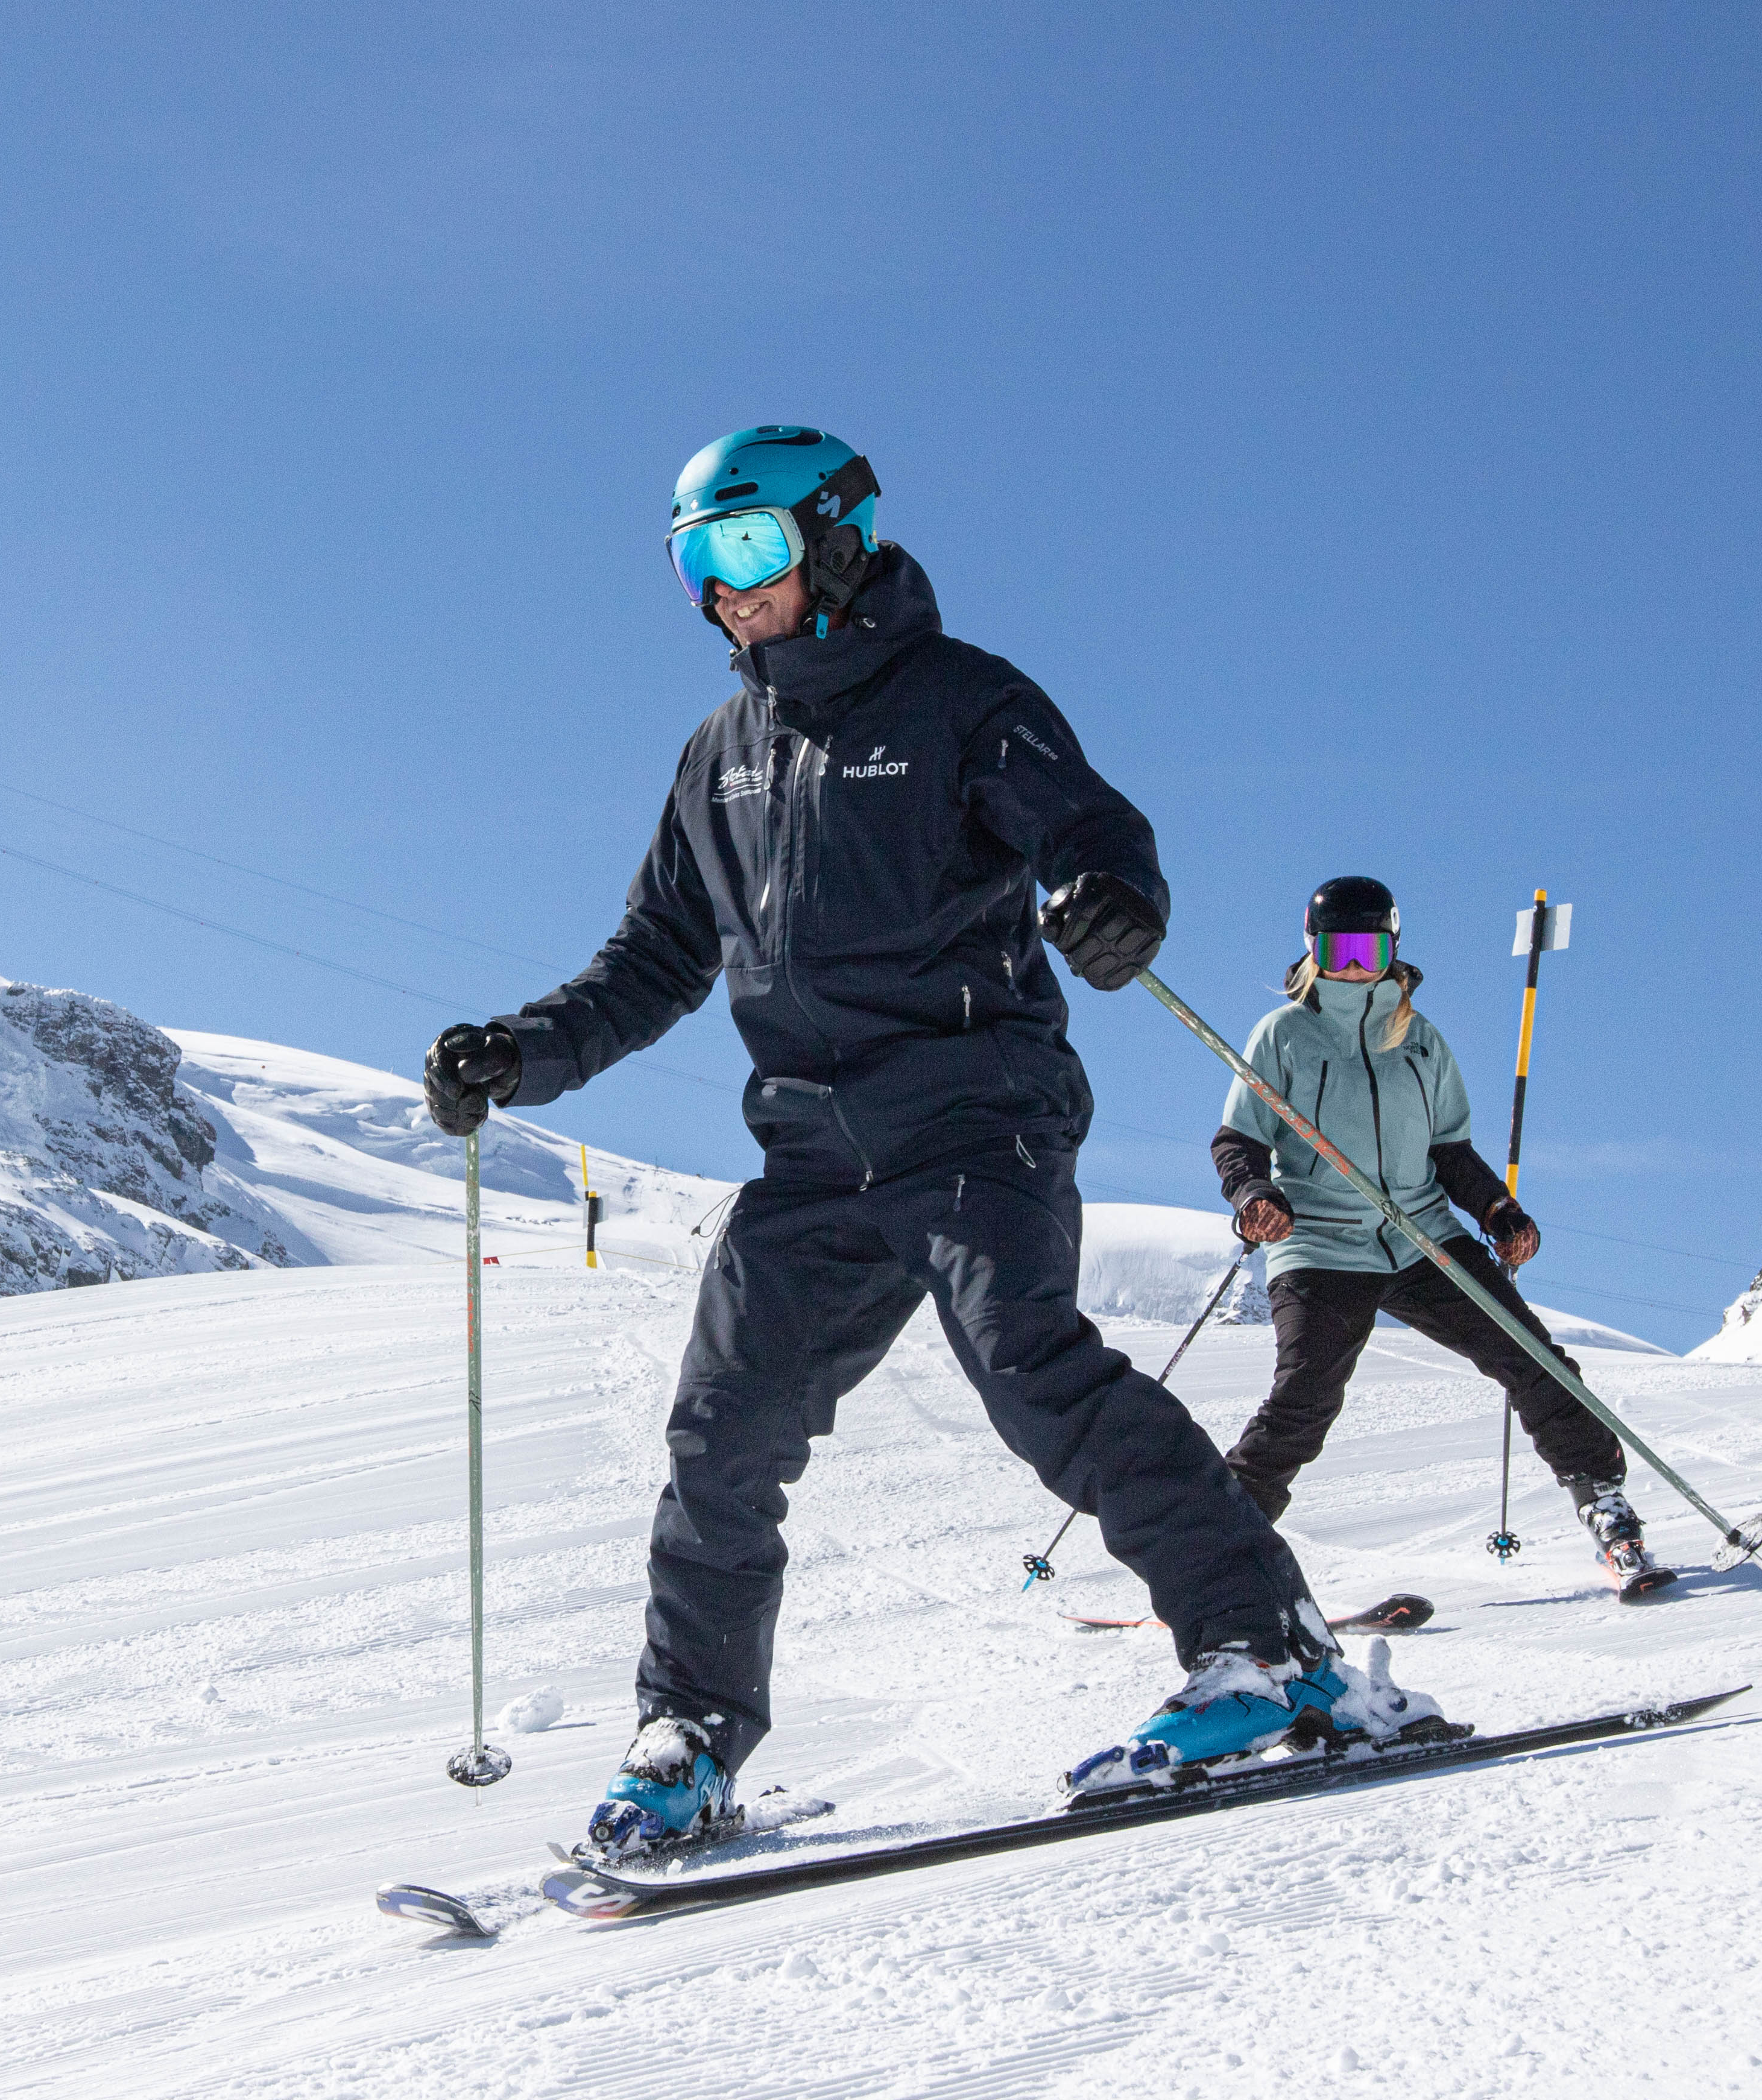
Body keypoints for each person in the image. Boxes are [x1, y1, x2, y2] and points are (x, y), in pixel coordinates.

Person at [421, 427, 1439, 1859]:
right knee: (721, 1429)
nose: (723, 591)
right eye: (692, 563)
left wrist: (1105, 896)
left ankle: (1266, 1650)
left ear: (835, 541)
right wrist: (524, 1052)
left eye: (749, 550)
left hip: (974, 1115)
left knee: (1034, 1371)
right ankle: (690, 1731)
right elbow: (654, 958)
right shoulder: (717, 754)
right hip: (811, 1156)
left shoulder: (964, 700)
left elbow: (1089, 828)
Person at [1212, 876, 1656, 1585]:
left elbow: (1450, 1151)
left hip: (1420, 1234)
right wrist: (1255, 1193)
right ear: (1313, 949)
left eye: (1371, 948)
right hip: (1321, 1239)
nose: (1357, 966)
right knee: (1306, 1394)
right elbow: (1238, 1139)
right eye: (1341, 950)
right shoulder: (1283, 1034)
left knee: (1532, 1357)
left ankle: (1604, 1504)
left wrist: (1496, 1212)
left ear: (1394, 947)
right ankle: (1218, 1553)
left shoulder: (1419, 1039)